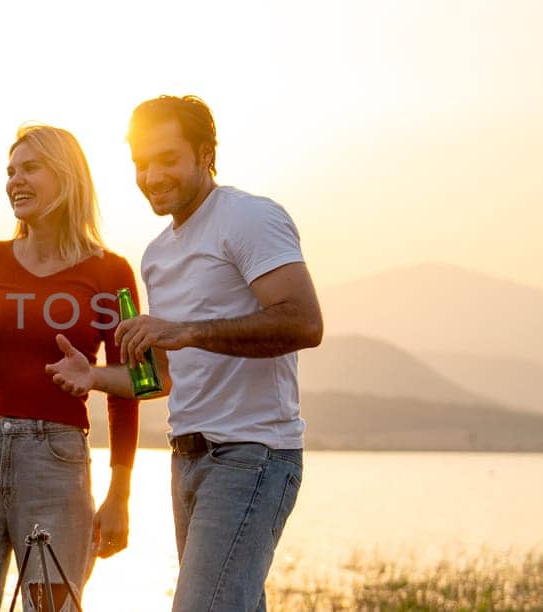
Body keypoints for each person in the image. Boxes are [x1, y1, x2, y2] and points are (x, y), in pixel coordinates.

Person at [47, 95, 323, 611]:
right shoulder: (157, 254)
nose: (152, 175)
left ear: (205, 153)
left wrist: (188, 330)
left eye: (166, 159)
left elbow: (304, 322)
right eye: (140, 163)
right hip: (188, 460)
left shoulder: (248, 218)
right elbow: (165, 378)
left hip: (253, 454)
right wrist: (96, 378)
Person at [0, 125, 142, 612]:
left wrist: (120, 494)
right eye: (10, 171)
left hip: (57, 461)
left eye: (29, 168)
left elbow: (130, 385)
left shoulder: (112, 273)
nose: (14, 181)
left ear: (66, 177)